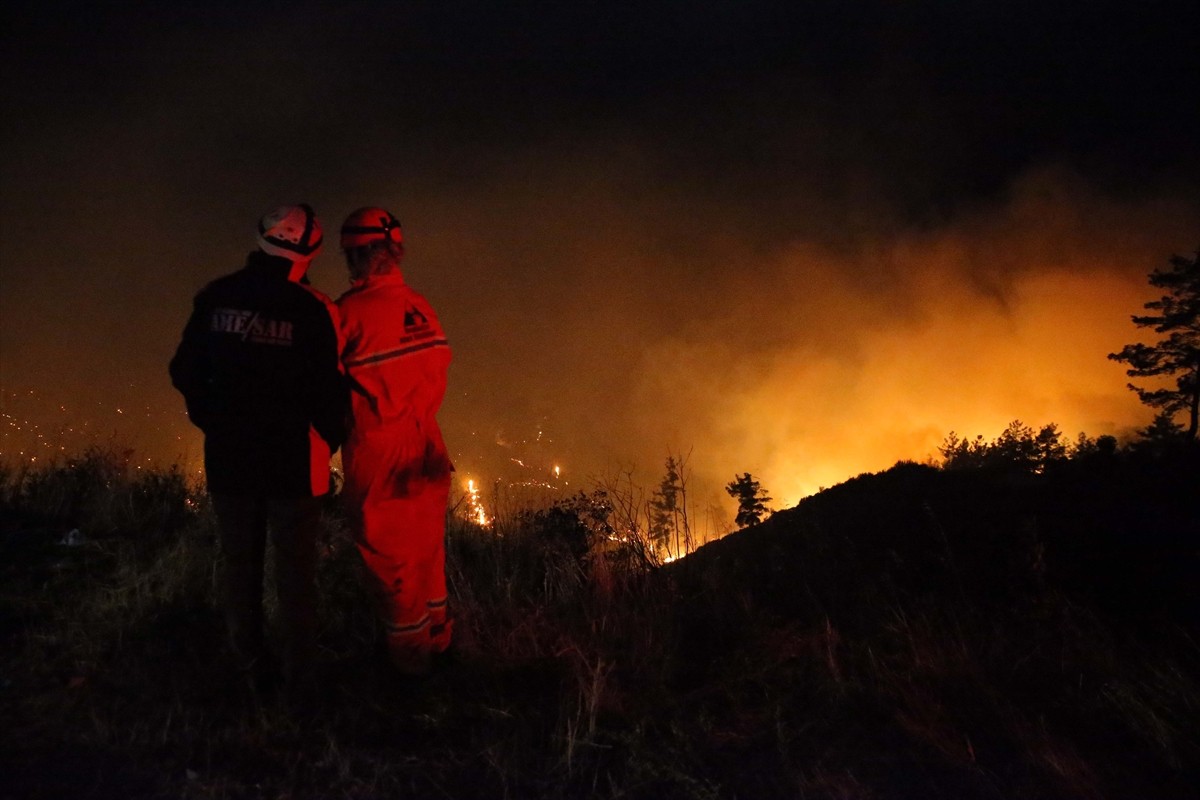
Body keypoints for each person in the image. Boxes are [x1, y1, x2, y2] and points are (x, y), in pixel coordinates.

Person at [169, 204, 346, 705]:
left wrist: (213, 420)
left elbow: (183, 370)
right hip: (293, 465)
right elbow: (328, 393)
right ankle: (300, 684)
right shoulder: (311, 309)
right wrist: (328, 441)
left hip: (229, 459)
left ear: (260, 239)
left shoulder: (216, 297)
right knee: (295, 576)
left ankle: (247, 668)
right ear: (309, 253)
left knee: (239, 566)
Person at [335, 206, 455, 676]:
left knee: (391, 564)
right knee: (427, 553)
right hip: (428, 445)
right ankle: (441, 644)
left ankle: (410, 676)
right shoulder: (421, 307)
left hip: (381, 451)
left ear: (359, 255)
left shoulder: (348, 313)